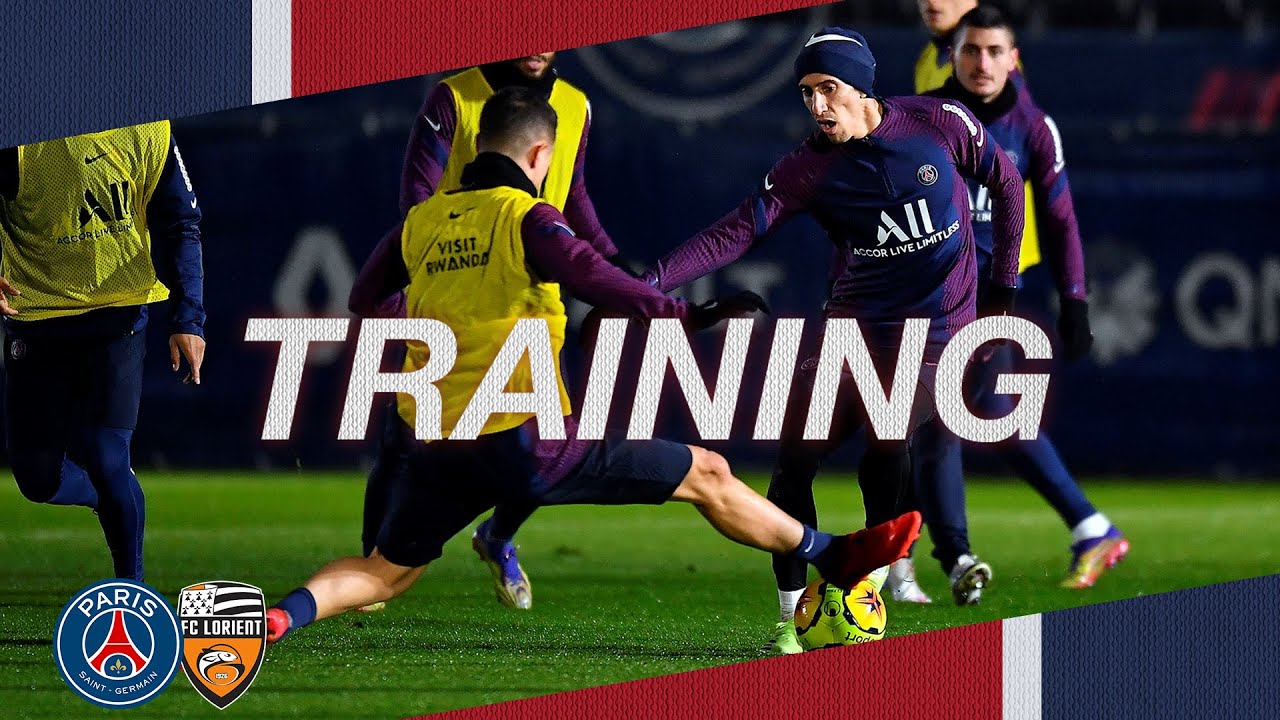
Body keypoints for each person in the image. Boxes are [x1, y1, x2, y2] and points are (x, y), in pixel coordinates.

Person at [264, 87, 922, 647]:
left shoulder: (421, 223)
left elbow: (363, 300)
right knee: (708, 472)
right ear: (540, 155)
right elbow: (598, 280)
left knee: (384, 571)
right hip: (520, 437)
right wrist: (685, 315)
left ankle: (278, 617)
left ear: (476, 146)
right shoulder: (528, 217)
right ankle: (832, 553)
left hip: (438, 442)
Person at [639, 27, 1026, 655]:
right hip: (851, 330)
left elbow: (1007, 184)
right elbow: (732, 234)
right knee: (794, 462)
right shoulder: (806, 168)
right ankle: (792, 620)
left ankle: (867, 589)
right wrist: (646, 281)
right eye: (807, 93)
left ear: (862, 88)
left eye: (829, 89)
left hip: (936, 335)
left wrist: (1002, 289)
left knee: (887, 431)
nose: (817, 106)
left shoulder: (939, 121)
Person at [359, 53, 630, 612]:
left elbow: (572, 199)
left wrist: (616, 265)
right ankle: (371, 570)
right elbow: (416, 199)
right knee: (405, 433)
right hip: (455, 290)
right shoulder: (454, 95)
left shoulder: (575, 105)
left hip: (525, 292)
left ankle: (497, 536)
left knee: (541, 438)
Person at [911, 6, 1127, 605]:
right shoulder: (921, 117)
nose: (983, 63)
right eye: (971, 51)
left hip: (992, 297)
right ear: (951, 56)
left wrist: (1075, 302)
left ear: (1014, 58)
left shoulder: (1032, 128)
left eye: (994, 52)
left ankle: (950, 556)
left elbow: (1060, 221)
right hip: (926, 295)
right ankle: (1089, 528)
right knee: (984, 414)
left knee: (945, 419)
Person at [0, 120, 205, 581]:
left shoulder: (148, 128)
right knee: (36, 479)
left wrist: (188, 319)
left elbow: (179, 221)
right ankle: (101, 493)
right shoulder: (17, 135)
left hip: (118, 314)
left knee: (106, 453)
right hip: (37, 318)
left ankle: (132, 596)